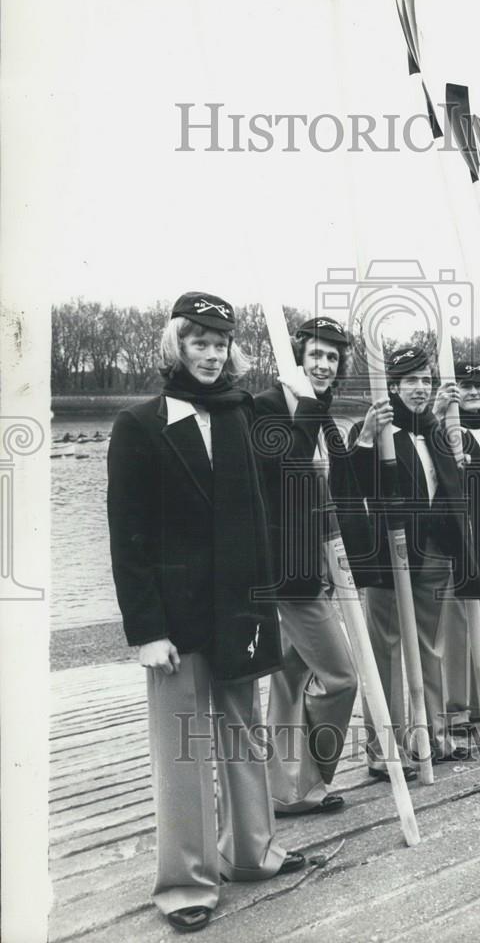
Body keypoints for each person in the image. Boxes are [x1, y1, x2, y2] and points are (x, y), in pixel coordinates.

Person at [107, 292, 303, 935]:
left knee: (245, 730)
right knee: (183, 752)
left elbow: (285, 470)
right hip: (177, 616)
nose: (212, 354)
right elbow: (126, 536)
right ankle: (186, 883)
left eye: (221, 343)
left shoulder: (244, 414)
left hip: (242, 607)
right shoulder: (140, 425)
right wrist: (147, 631)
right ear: (176, 347)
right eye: (200, 342)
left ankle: (251, 853)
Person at [253, 316, 380, 812]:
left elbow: (342, 492)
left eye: (332, 357)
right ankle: (309, 783)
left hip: (326, 568)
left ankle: (283, 790)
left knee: (288, 678)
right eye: (315, 355)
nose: (324, 364)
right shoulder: (265, 409)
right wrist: (306, 405)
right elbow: (285, 472)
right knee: (342, 677)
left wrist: (362, 439)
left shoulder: (324, 416)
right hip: (290, 572)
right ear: (296, 359)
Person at [349, 346, 480, 768]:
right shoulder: (373, 431)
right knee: (386, 651)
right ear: (393, 386)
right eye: (411, 381)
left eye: (425, 380)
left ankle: (433, 736)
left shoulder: (437, 433)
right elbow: (355, 488)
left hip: (434, 555)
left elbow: (450, 492)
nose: (420, 389)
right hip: (391, 558)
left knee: (432, 647)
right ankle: (383, 749)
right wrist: (367, 440)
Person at [432, 362, 480, 720]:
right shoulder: (448, 430)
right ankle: (458, 700)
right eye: (466, 386)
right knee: (460, 622)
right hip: (463, 539)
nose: (475, 392)